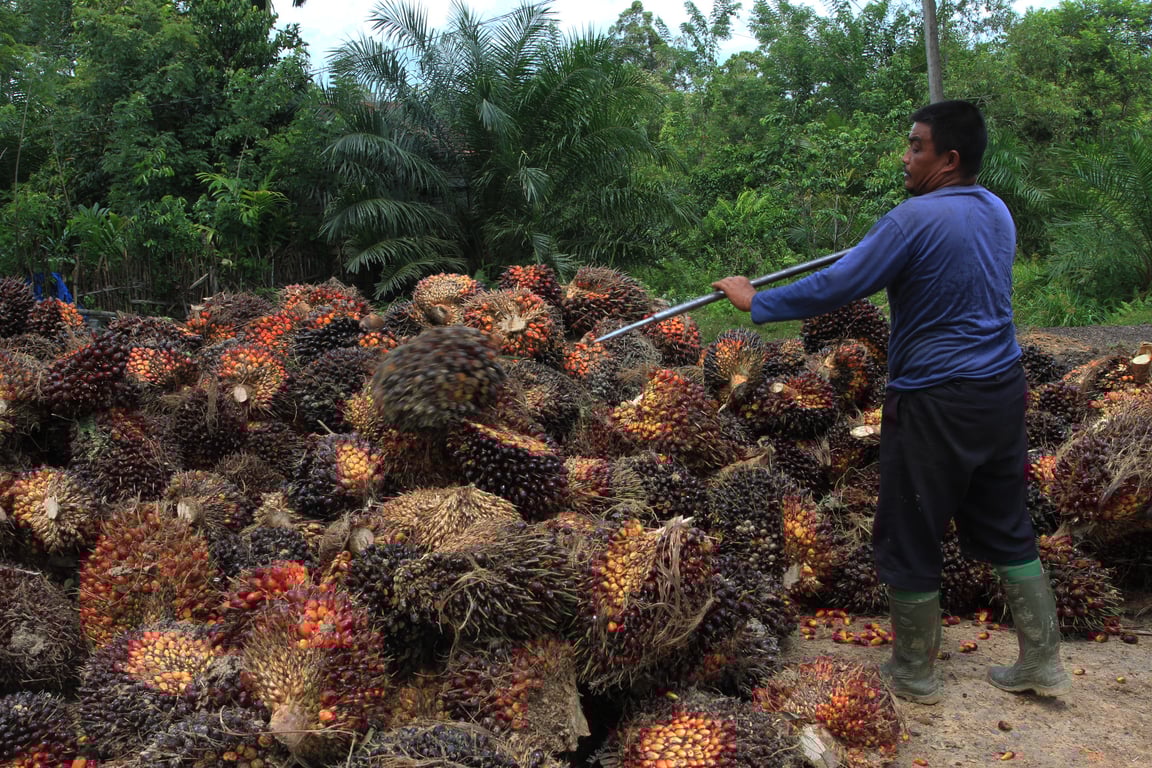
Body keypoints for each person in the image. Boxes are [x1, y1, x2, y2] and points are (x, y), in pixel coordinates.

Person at [711, 100, 1070, 704]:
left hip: (935, 398)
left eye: (916, 146)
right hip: (1001, 392)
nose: (905, 157)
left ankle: (913, 673)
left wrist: (756, 301)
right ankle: (1043, 660)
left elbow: (841, 283)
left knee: (910, 528)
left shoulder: (911, 220)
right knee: (1008, 522)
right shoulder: (997, 212)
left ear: (948, 158)